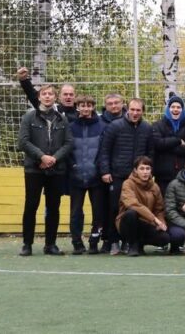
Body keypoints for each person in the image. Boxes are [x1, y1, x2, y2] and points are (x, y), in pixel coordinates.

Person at [18, 84, 73, 256]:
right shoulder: (29, 117)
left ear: (55, 98)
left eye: (50, 94)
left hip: (56, 170)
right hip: (34, 170)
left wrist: (53, 159)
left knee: (53, 207)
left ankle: (50, 244)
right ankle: (27, 244)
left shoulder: (62, 119)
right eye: (44, 94)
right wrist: (41, 157)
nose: (47, 96)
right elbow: (23, 142)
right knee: (31, 205)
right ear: (39, 97)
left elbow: (68, 143)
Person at [97, 97, 154, 255]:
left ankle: (128, 242)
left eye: (138, 110)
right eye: (132, 109)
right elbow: (104, 150)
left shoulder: (147, 128)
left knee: (133, 210)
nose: (135, 113)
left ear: (143, 111)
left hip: (137, 179)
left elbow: (150, 153)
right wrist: (105, 171)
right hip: (117, 175)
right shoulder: (115, 126)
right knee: (114, 208)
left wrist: (149, 173)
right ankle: (113, 241)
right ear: (127, 109)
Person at [116, 157, 178, 256]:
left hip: (146, 223)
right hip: (127, 223)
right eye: (142, 168)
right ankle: (132, 245)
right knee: (131, 213)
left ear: (151, 170)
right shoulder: (127, 184)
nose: (145, 172)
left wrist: (161, 222)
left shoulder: (155, 186)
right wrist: (154, 219)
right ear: (135, 170)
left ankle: (140, 244)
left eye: (147, 168)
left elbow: (159, 209)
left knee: (165, 238)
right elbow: (133, 204)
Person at [68, 94, 106, 255]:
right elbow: (67, 149)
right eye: (82, 105)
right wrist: (72, 165)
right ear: (77, 107)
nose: (85, 108)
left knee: (98, 212)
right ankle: (77, 242)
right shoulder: (70, 127)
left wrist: (99, 168)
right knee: (75, 212)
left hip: (96, 177)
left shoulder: (102, 126)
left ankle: (94, 242)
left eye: (88, 105)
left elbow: (104, 150)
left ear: (93, 107)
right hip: (76, 176)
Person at [151, 95, 185, 196]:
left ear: (182, 110)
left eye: (178, 107)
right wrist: (178, 140)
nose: (175, 109)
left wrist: (167, 146)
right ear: (168, 109)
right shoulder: (157, 125)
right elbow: (158, 144)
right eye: (173, 107)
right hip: (162, 175)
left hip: (183, 175)